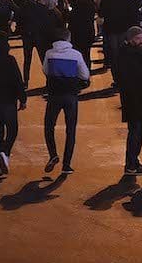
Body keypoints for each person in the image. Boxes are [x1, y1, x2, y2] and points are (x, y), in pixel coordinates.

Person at [42, 29, 90, 174]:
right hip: (70, 96)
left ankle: (53, 155)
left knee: (49, 126)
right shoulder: (76, 55)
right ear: (68, 39)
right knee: (71, 130)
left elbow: (45, 70)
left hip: (54, 95)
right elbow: (85, 74)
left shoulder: (49, 53)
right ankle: (66, 164)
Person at [0, 32, 26, 175]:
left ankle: (0, 165)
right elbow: (18, 80)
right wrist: (23, 98)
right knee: (12, 129)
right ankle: (5, 152)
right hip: (9, 100)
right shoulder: (10, 60)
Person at [115, 26, 142, 175]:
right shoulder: (128, 54)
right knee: (135, 131)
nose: (141, 41)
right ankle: (131, 164)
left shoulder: (136, 52)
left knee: (138, 131)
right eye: (138, 38)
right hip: (133, 98)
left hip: (138, 98)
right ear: (130, 39)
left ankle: (134, 161)